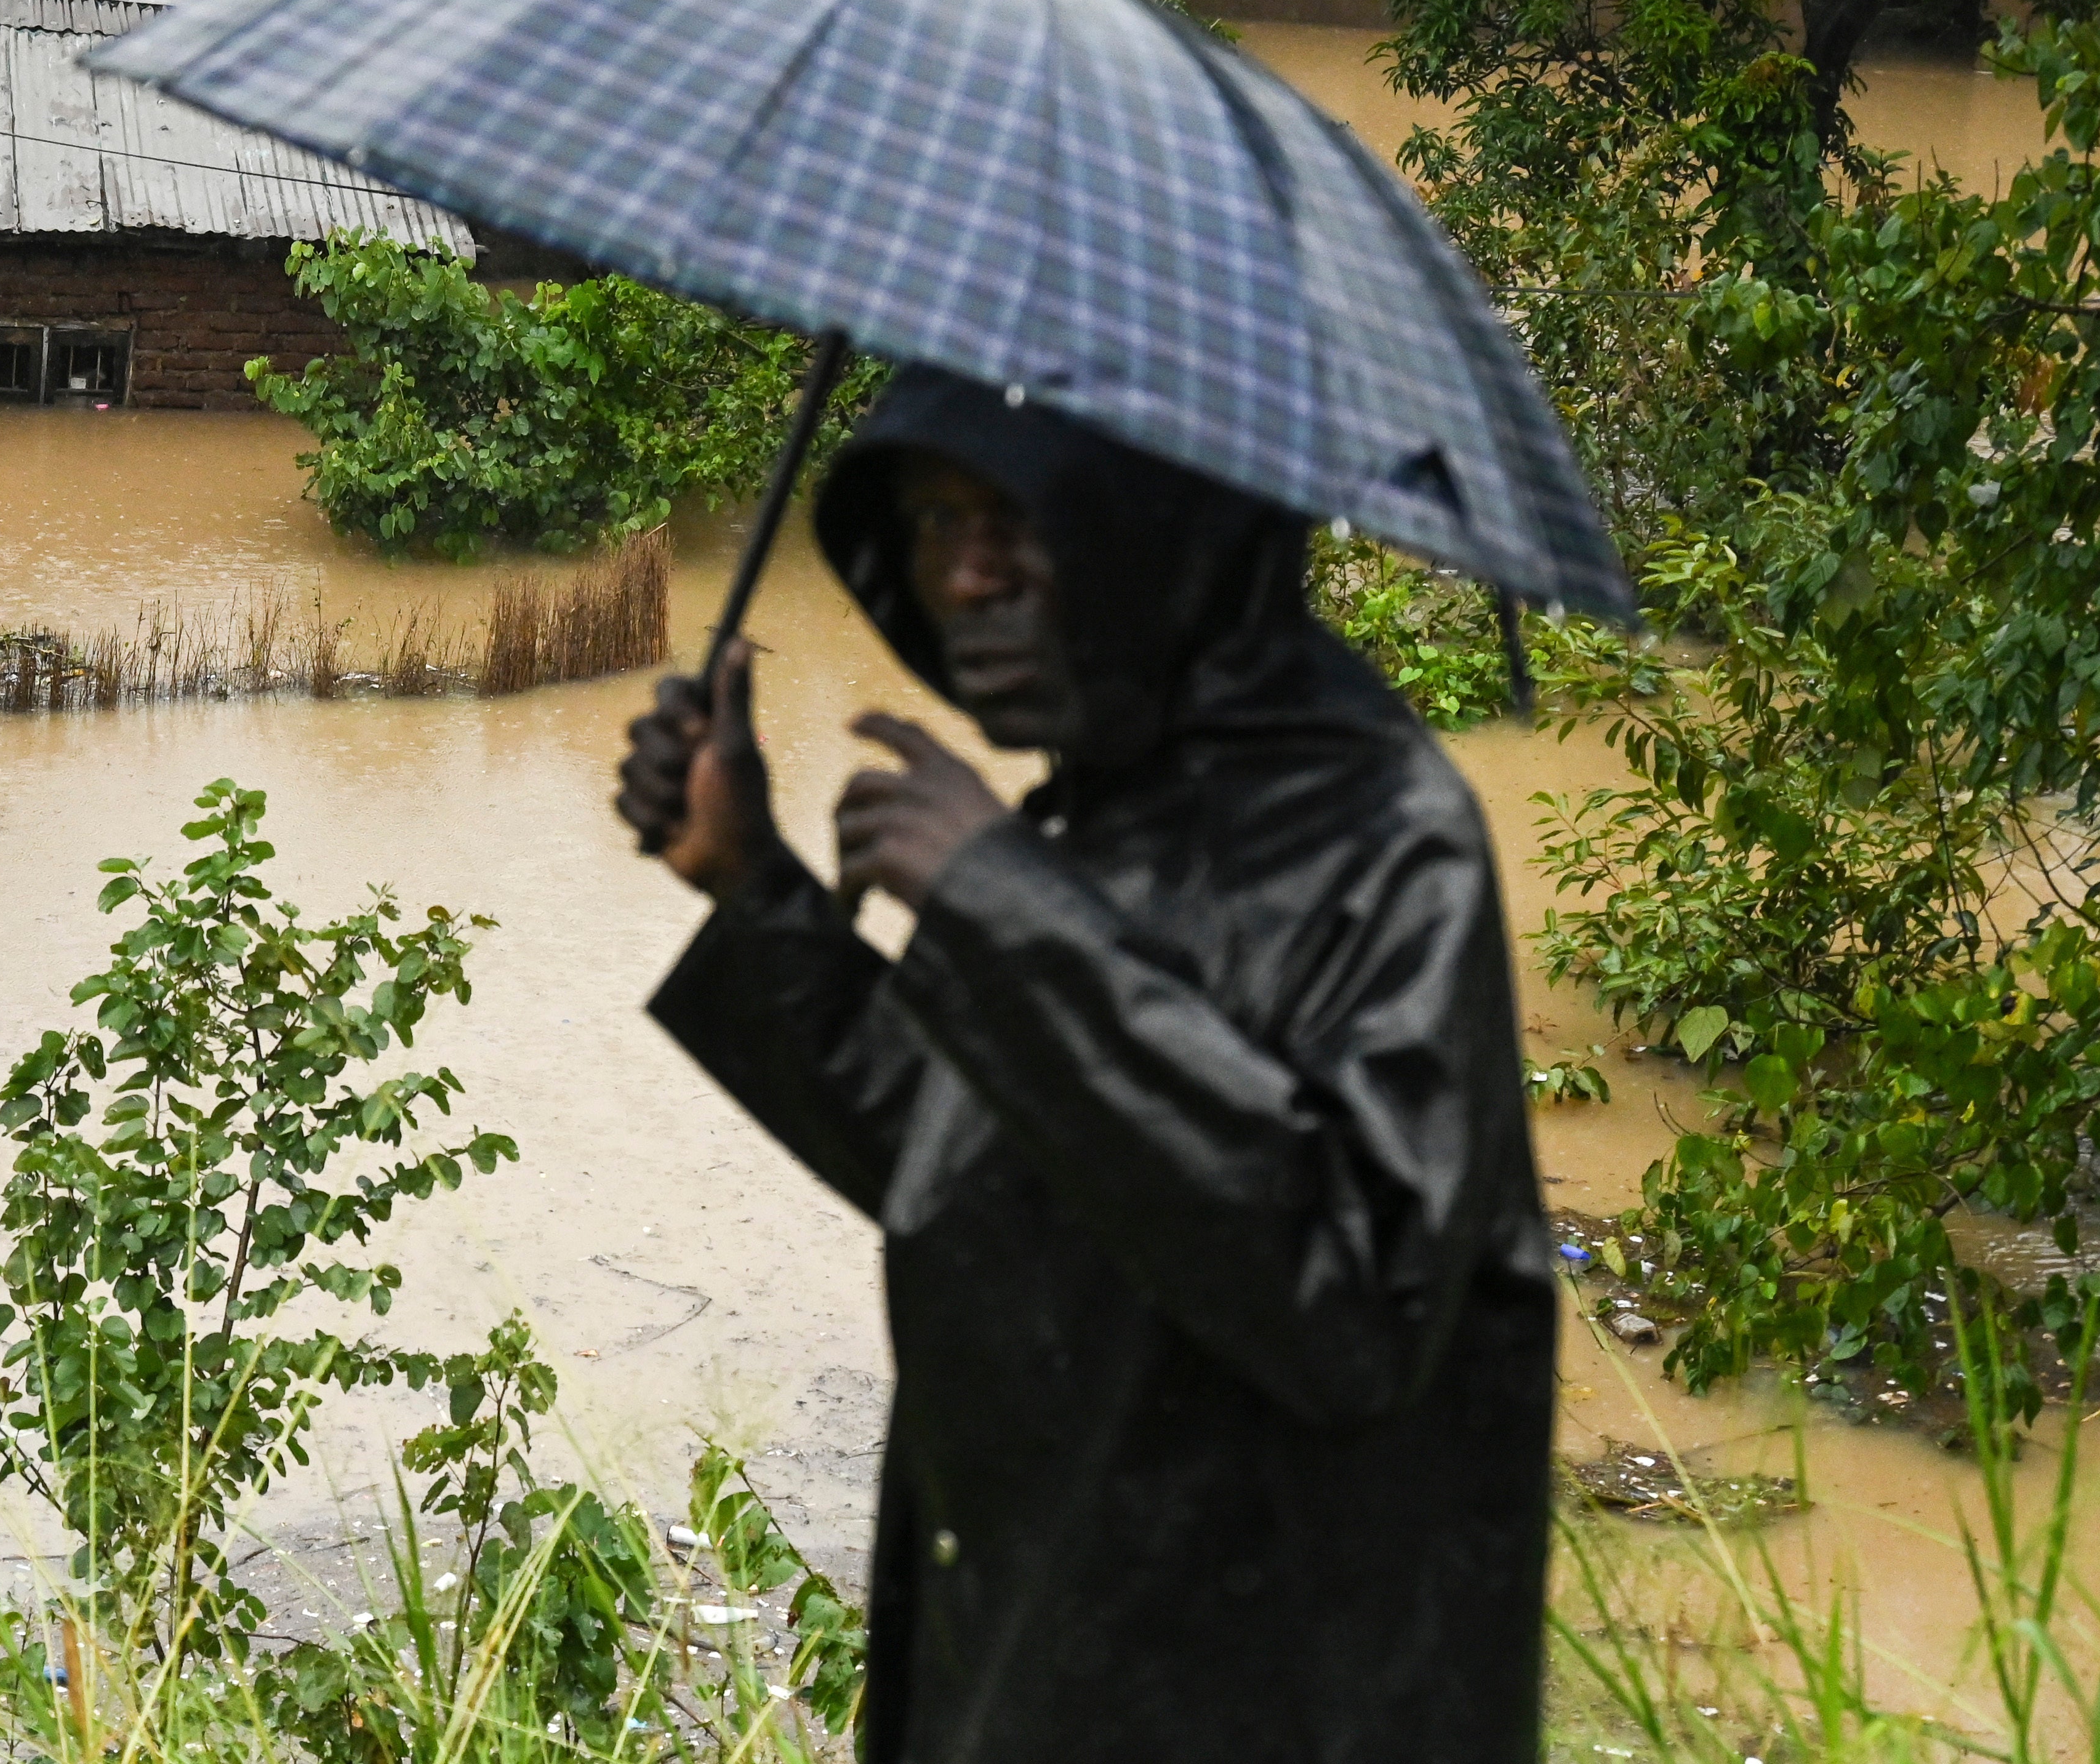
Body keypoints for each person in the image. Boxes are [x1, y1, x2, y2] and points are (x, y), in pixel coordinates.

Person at [616, 367, 1553, 1763]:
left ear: (1161, 522)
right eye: (934, 517)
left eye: (1021, 514)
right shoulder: (1101, 816)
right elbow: (980, 1180)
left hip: (1277, 1694)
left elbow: (1357, 1296)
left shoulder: (1379, 835)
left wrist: (999, 905)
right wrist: (752, 883)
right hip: (1037, 1642)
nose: (969, 572)